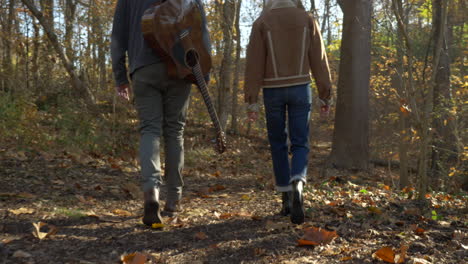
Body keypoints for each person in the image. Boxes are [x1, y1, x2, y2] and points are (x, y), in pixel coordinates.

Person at [111, 0, 210, 226]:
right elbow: (201, 30)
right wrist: (203, 71)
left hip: (143, 68)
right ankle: (173, 200)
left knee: (150, 130)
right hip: (180, 65)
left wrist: (120, 76)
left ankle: (151, 194)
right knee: (175, 131)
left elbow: (118, 37)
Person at [244, 0, 332, 224]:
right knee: (301, 142)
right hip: (300, 88)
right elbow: (319, 60)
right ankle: (298, 183)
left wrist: (251, 100)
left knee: (278, 142)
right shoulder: (307, 20)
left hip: (272, 91)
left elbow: (253, 64)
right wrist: (325, 94)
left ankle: (286, 198)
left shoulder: (261, 22)